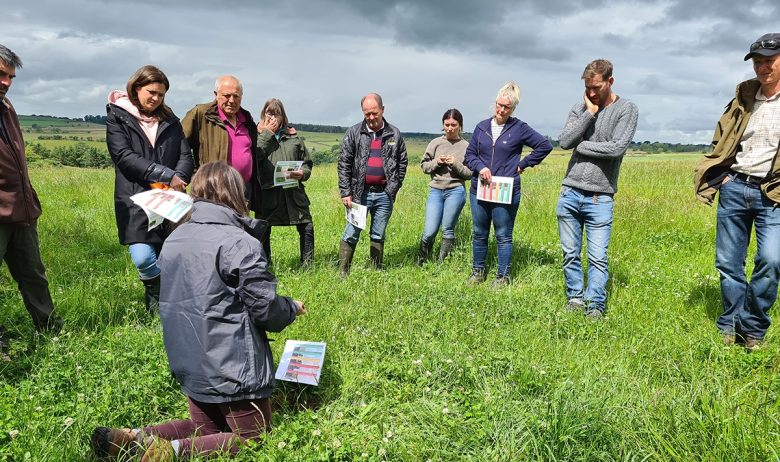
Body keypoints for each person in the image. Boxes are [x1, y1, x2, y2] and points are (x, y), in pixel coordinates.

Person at [90, 161, 306, 461]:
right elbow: (267, 311)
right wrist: (291, 308)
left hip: (190, 363)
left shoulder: (174, 239)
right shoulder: (240, 242)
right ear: (235, 194)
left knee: (203, 429)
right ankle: (167, 452)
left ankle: (132, 437)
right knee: (253, 436)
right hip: (233, 368)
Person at [694, 33, 780, 350]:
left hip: (774, 194)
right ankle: (731, 326)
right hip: (736, 186)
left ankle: (753, 327)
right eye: (757, 61)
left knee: (771, 261)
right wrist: (723, 177)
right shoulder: (745, 94)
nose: (762, 67)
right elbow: (723, 135)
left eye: (769, 60)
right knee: (729, 265)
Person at [106, 65, 193, 313]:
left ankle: (162, 309)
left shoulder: (170, 119)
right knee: (144, 256)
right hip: (136, 198)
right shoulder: (118, 116)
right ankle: (157, 289)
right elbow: (123, 156)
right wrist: (165, 174)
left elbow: (186, 155)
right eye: (152, 92)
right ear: (136, 88)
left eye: (161, 94)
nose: (156, 98)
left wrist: (179, 177)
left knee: (170, 254)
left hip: (170, 199)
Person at [556, 59, 639, 319]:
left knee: (597, 258)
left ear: (610, 81)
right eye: (587, 87)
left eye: (597, 87)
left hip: (599, 196)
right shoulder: (580, 108)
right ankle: (575, 299)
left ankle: (596, 306)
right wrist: (589, 113)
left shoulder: (627, 109)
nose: (591, 92)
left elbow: (616, 148)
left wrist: (583, 146)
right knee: (570, 254)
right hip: (569, 191)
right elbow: (565, 141)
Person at [0, 44, 62, 356]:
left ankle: (50, 330)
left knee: (33, 274)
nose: (6, 82)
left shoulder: (7, 108)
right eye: (1, 74)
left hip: (21, 209)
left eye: (10, 76)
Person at [464, 81, 553, 287]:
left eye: (506, 107)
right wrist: (480, 167)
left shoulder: (519, 128)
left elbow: (544, 146)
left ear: (513, 109)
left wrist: (523, 164)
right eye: (499, 105)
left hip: (505, 189)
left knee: (503, 235)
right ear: (494, 103)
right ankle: (477, 272)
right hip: (480, 188)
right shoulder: (482, 127)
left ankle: (502, 277)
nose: (501, 110)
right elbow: (470, 154)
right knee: (479, 233)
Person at [337, 93, 408, 276]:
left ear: (382, 110)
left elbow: (402, 162)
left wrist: (392, 188)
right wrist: (346, 191)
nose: (370, 117)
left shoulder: (394, 133)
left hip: (384, 194)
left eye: (374, 113)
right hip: (360, 194)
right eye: (366, 113)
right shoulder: (354, 132)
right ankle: (343, 272)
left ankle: (376, 270)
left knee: (378, 233)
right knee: (351, 232)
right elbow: (344, 163)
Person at [181, 75, 261, 212]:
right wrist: (195, 174)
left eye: (236, 96)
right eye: (227, 95)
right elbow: (179, 146)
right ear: (215, 94)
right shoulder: (201, 114)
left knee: (238, 230)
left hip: (241, 193)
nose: (231, 100)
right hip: (211, 192)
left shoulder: (246, 119)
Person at [256, 98, 315, 267]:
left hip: (293, 193)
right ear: (263, 114)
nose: (273, 117)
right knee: (263, 230)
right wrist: (267, 133)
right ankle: (265, 266)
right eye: (269, 113)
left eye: (277, 113)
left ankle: (308, 266)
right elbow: (254, 157)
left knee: (307, 227)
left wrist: (302, 173)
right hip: (268, 193)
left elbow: (307, 163)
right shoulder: (256, 135)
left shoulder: (293, 136)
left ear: (283, 116)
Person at [418, 108, 472, 263]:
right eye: (447, 124)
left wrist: (456, 164)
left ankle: (441, 263)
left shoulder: (466, 146)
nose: (449, 128)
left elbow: (470, 174)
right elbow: (424, 166)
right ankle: (422, 260)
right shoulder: (435, 143)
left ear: (460, 126)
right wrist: (437, 162)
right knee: (430, 231)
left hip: (456, 190)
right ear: (443, 125)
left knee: (448, 229)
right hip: (435, 190)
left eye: (453, 125)